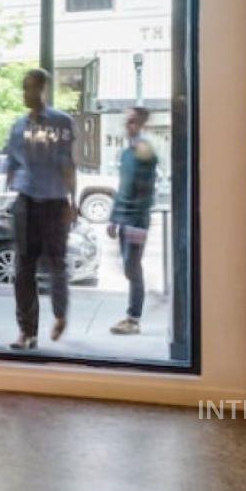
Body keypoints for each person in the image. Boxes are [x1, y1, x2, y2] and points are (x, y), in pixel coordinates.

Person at [3, 69, 77, 350]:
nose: (26, 93)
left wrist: (73, 201)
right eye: (24, 88)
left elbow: (68, 165)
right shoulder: (17, 126)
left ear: (44, 90)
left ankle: (59, 315)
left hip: (55, 202)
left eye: (31, 88)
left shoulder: (62, 122)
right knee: (23, 267)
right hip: (25, 201)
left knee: (57, 263)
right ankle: (27, 331)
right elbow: (11, 164)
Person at [108, 106, 158, 335]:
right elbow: (123, 187)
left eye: (133, 122)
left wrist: (135, 220)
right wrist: (114, 218)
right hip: (125, 218)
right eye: (127, 121)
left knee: (132, 267)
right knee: (129, 267)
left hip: (136, 219)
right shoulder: (127, 152)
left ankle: (133, 318)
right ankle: (132, 317)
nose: (129, 125)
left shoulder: (144, 151)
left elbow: (144, 191)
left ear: (142, 124)